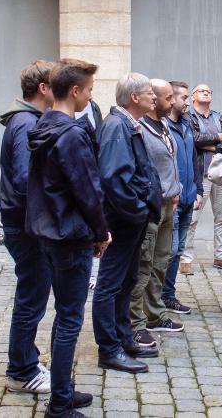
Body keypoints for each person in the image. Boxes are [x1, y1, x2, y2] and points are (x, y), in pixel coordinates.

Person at [26, 59, 112, 418]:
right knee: (70, 319)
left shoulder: (44, 124)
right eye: (89, 90)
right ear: (75, 91)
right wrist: (101, 231)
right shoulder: (72, 133)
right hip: (70, 235)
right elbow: (87, 190)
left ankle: (63, 389)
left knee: (65, 317)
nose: (91, 96)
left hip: (50, 231)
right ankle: (59, 404)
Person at [92, 73, 163, 374]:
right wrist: (138, 209)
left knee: (127, 281)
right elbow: (113, 179)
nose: (154, 97)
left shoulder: (128, 124)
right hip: (123, 221)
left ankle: (123, 338)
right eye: (149, 93)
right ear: (134, 97)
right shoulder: (117, 126)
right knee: (110, 284)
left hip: (131, 220)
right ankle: (109, 349)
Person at [0, 60, 55, 394]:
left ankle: (25, 360)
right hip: (25, 224)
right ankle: (21, 371)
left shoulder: (26, 120)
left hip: (26, 222)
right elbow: (22, 180)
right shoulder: (24, 123)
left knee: (33, 292)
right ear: (44, 89)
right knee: (32, 296)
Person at [130, 78, 184, 347]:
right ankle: (135, 321)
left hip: (168, 204)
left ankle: (154, 312)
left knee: (161, 260)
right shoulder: (139, 129)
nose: (172, 102)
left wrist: (177, 189)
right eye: (167, 98)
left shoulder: (163, 126)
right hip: (151, 206)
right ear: (153, 99)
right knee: (144, 263)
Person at [181, 84, 222, 273]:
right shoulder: (188, 117)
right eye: (202, 90)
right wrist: (216, 138)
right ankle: (185, 259)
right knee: (192, 218)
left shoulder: (219, 117)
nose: (206, 92)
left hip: (220, 174)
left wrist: (211, 145)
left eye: (209, 91)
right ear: (193, 96)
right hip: (200, 174)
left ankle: (221, 257)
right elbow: (192, 138)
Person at [161, 81, 202, 315]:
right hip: (172, 200)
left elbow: (194, 158)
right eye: (184, 98)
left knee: (177, 251)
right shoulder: (163, 127)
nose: (187, 102)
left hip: (188, 197)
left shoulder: (187, 124)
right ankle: (157, 296)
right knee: (170, 250)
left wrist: (198, 190)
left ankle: (168, 295)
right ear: (172, 99)